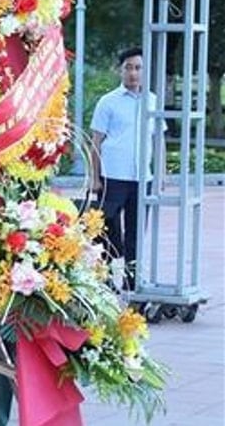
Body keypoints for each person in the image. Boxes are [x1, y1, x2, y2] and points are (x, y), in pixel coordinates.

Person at [90, 47, 161, 291]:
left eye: (138, 68)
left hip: (142, 178)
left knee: (136, 234)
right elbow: (96, 141)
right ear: (120, 70)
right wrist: (94, 178)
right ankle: (105, 282)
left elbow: (157, 141)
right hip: (112, 177)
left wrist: (160, 176)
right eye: (128, 67)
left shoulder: (153, 101)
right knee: (106, 232)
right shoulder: (108, 102)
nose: (133, 73)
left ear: (145, 71)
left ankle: (132, 284)